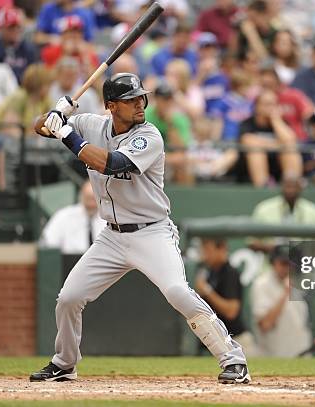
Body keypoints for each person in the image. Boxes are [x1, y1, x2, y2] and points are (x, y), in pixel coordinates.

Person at [30, 73, 250, 383]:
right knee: (68, 297)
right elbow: (38, 127)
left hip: (152, 232)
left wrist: (66, 132)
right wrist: (55, 113)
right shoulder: (91, 124)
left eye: (140, 97)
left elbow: (111, 163)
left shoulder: (150, 135)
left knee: (177, 291)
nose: (139, 104)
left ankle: (233, 359)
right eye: (130, 99)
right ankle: (65, 362)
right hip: (111, 236)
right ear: (110, 106)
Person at [195, 238, 259, 356]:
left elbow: (231, 311)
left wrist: (207, 290)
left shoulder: (230, 273)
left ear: (221, 249)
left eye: (208, 250)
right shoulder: (211, 273)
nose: (205, 256)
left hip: (237, 341)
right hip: (221, 341)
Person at [251, 245, 312, 357]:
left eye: (291, 264)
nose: (287, 268)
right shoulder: (262, 284)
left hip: (301, 356)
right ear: (273, 262)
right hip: (275, 358)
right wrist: (285, 294)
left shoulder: (296, 285)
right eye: (283, 263)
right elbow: (265, 324)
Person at [238, 89, 302, 187]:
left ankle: (293, 187)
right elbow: (248, 140)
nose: (271, 108)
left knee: (290, 150)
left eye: (273, 104)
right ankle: (263, 187)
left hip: (278, 165)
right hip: (249, 169)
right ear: (257, 106)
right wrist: (277, 145)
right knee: (256, 150)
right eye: (267, 104)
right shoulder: (248, 123)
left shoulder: (281, 123)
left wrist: (276, 120)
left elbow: (290, 141)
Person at [249, 174, 315, 253]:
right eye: (287, 186)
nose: (291, 190)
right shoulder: (264, 209)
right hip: (270, 262)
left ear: (300, 188)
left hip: (303, 262)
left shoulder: (313, 211)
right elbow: (252, 242)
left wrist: (303, 251)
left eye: (294, 187)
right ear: (281, 187)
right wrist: (273, 249)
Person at [144, 82, 194, 185]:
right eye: (162, 99)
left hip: (166, 156)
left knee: (182, 162)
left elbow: (181, 148)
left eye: (168, 99)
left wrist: (170, 123)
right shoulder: (145, 115)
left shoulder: (180, 119)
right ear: (156, 99)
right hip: (148, 154)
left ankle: (183, 196)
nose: (165, 103)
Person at [40, 181, 104, 254]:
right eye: (88, 198)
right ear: (81, 196)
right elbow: (48, 244)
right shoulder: (63, 216)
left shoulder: (108, 219)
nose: (91, 204)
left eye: (94, 198)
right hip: (70, 263)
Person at [260, 64, 314, 142]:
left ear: (277, 80)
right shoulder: (259, 98)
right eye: (265, 85)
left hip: (295, 138)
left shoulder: (293, 95)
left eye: (270, 83)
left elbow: (308, 112)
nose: (268, 86)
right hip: (268, 138)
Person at [0, 8, 39, 84]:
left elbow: (33, 76)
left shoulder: (28, 49)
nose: (15, 31)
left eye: (18, 27)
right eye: (11, 27)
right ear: (1, 28)